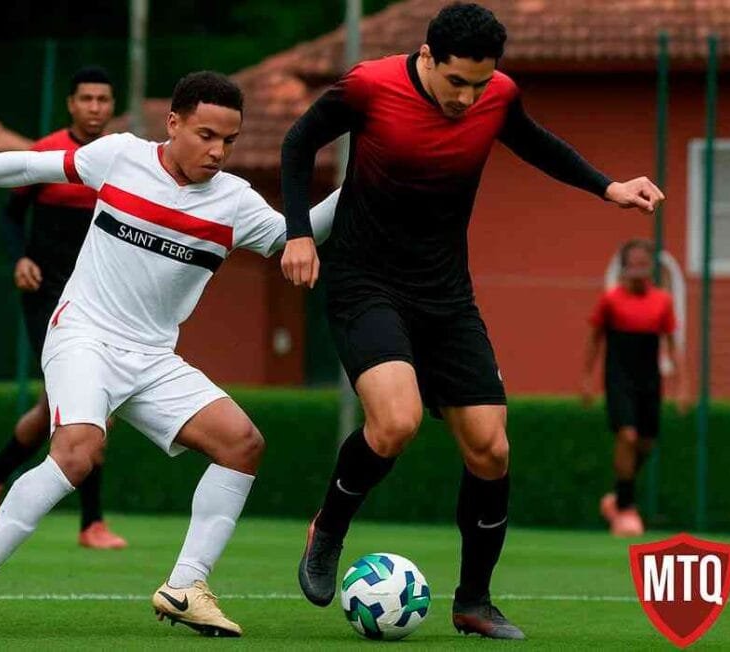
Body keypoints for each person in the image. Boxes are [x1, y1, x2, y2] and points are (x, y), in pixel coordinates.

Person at [278, 2, 664, 640]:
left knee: (490, 448)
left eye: (479, 84)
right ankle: (329, 529)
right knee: (395, 423)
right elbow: (298, 143)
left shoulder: (498, 94)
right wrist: (298, 233)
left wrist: (608, 187)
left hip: (446, 295)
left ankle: (474, 602)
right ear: (428, 56)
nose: (467, 97)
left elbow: (535, 143)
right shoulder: (371, 85)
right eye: (457, 81)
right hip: (365, 282)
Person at [0, 71, 338, 639]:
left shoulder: (235, 201)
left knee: (242, 444)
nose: (218, 150)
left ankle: (186, 586)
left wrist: (363, 180)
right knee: (77, 452)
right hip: (83, 334)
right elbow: (30, 166)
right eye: (206, 135)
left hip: (153, 357)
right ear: (173, 123)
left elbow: (301, 234)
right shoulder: (119, 157)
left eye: (229, 140)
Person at [0, 65, 126, 550]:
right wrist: (19, 258)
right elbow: (10, 216)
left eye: (103, 99)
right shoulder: (45, 152)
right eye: (87, 99)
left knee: (54, 407)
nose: (95, 107)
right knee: (89, 403)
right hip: (46, 295)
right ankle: (92, 523)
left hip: (99, 298)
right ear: (71, 104)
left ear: (113, 106)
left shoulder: (121, 159)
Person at [582, 238, 686, 537]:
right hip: (619, 378)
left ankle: (617, 496)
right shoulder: (610, 300)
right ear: (624, 267)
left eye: (644, 263)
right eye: (634, 263)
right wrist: (587, 379)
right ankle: (626, 508)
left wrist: (682, 385)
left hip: (649, 379)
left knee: (645, 444)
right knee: (627, 436)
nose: (639, 268)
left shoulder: (662, 301)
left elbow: (673, 344)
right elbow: (594, 338)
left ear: (651, 267)